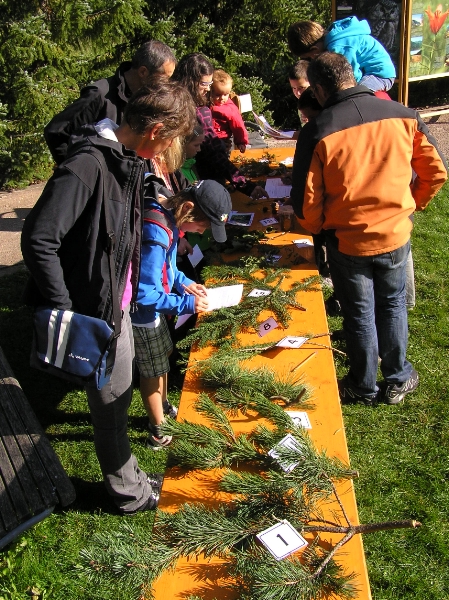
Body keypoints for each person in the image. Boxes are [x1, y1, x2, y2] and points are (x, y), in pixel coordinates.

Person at [21, 78, 197, 514]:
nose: (168, 151)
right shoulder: (88, 165)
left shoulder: (124, 160)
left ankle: (130, 479)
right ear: (155, 131)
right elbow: (40, 238)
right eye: (170, 140)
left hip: (117, 309)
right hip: (97, 315)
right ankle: (129, 495)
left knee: (117, 403)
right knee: (111, 411)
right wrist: (66, 309)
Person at [290, 52, 447, 406]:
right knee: (392, 305)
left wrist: (319, 228)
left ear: (318, 90)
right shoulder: (404, 115)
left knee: (359, 312)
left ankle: (363, 386)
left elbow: (306, 203)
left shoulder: (317, 131)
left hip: (347, 241)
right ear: (351, 75)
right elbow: (436, 172)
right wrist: (410, 204)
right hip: (394, 233)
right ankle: (398, 377)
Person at [131, 180, 232, 449]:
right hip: (143, 315)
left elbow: (168, 267)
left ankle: (163, 405)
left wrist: (185, 283)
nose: (203, 231)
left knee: (163, 358)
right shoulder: (157, 233)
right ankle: (158, 431)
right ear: (187, 208)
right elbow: (144, 293)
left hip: (157, 309)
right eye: (203, 225)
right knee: (152, 372)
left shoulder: (169, 221)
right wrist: (186, 304)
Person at [44, 40, 177, 164]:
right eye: (164, 78)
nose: (166, 84)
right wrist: (78, 169)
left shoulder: (145, 100)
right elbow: (56, 132)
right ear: (143, 72)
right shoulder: (99, 95)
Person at [172, 53, 268, 201]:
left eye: (210, 84)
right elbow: (214, 153)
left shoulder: (176, 101)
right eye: (204, 84)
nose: (207, 89)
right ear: (190, 81)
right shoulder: (198, 111)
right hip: (197, 176)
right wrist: (246, 186)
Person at [287, 16, 396, 92]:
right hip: (368, 71)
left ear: (314, 48)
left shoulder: (339, 47)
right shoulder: (334, 36)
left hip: (380, 74)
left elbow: (350, 77)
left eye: (310, 56)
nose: (313, 58)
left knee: (357, 93)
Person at [210, 69, 249, 154]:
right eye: (218, 94)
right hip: (205, 138)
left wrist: (241, 142)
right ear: (210, 91)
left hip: (221, 139)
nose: (222, 98)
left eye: (225, 94)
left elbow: (238, 125)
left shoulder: (230, 109)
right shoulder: (206, 103)